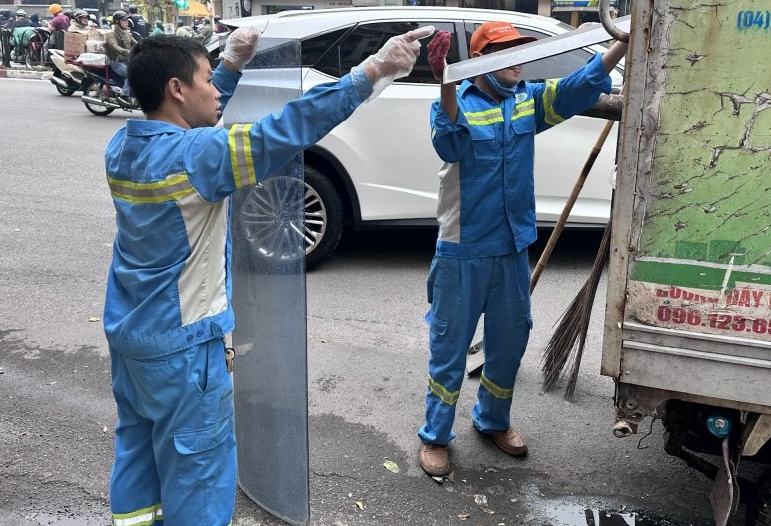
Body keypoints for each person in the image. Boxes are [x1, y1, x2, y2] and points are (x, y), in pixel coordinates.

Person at [103, 26, 432, 525]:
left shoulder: (122, 149)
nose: (216, 92)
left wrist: (231, 66)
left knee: (137, 452)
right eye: (207, 80)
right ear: (176, 88)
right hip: (185, 354)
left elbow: (194, 124)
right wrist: (373, 72)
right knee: (198, 477)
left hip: (131, 343)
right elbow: (288, 127)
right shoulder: (200, 159)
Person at [415, 22, 628, 477]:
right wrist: (447, 83)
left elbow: (578, 87)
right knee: (450, 347)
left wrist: (621, 43)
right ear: (483, 63)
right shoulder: (456, 104)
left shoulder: (526, 99)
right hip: (463, 252)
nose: (517, 60)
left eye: (519, 52)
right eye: (504, 52)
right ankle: (435, 435)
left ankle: (492, 420)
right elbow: (448, 143)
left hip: (512, 248)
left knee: (509, 343)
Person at [106, 11, 137, 104]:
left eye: (126, 20)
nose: (126, 22)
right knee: (131, 74)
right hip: (117, 62)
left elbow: (136, 43)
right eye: (123, 20)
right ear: (116, 22)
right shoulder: (112, 34)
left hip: (127, 61)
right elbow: (114, 45)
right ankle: (124, 95)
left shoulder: (126, 33)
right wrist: (125, 51)